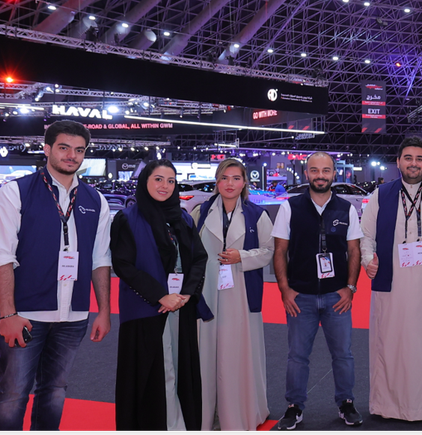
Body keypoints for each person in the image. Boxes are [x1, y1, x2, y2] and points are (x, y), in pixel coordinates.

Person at [0, 120, 112, 431]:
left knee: (55, 392)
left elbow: (101, 260)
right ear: (47, 149)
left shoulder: (96, 200)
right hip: (25, 315)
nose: (72, 155)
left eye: (79, 150)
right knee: (13, 394)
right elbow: (1, 257)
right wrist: (7, 314)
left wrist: (104, 311)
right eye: (64, 147)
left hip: (73, 317)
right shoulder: (14, 192)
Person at [361, 137, 422, 421]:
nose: (413, 163)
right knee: (393, 343)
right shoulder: (382, 195)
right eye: (408, 158)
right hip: (393, 284)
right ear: (399, 161)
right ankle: (389, 405)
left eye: (419, 159)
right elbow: (365, 237)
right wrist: (369, 261)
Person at [111, 160, 209, 431]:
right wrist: (160, 296)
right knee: (152, 374)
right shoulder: (127, 218)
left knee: (180, 371)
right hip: (144, 310)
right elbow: (123, 265)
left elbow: (199, 258)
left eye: (170, 180)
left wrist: (188, 293)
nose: (165, 186)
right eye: (158, 179)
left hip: (181, 307)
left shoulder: (184, 218)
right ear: (145, 181)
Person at [272, 152, 364, 429]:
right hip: (300, 297)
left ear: (335, 174)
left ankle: (346, 403)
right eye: (315, 170)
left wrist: (350, 287)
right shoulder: (290, 207)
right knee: (297, 356)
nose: (320, 175)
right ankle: (294, 406)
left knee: (344, 355)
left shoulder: (346, 209)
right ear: (306, 173)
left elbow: (354, 250)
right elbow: (279, 251)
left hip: (337, 296)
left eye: (326, 170)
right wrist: (285, 290)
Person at [192, 159, 275, 431]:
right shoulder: (199, 212)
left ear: (244, 183)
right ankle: (206, 415)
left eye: (236, 178)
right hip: (206, 293)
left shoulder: (257, 215)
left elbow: (269, 251)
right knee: (205, 354)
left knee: (239, 353)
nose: (230, 184)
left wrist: (242, 256)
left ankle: (240, 414)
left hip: (241, 293)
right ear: (217, 181)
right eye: (224, 178)